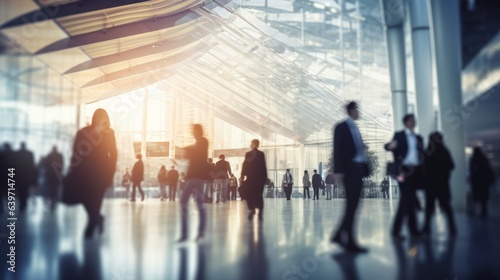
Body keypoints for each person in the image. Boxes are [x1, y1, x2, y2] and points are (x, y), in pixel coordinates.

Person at [67, 108, 117, 238]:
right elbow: (76, 152)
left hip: (100, 172)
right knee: (88, 199)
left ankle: (92, 223)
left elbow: (113, 153)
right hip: (89, 172)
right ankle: (97, 218)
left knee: (95, 199)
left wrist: (111, 172)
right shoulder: (85, 132)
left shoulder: (106, 133)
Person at [330, 101, 370, 253]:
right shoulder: (342, 126)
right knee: (352, 205)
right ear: (352, 110)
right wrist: (338, 170)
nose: (359, 112)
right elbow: (338, 148)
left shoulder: (355, 127)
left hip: (358, 170)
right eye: (358, 109)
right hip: (350, 169)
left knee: (353, 206)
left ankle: (339, 236)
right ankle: (349, 241)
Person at [384, 114, 424, 239]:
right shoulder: (399, 135)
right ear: (405, 122)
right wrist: (390, 146)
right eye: (410, 121)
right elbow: (387, 146)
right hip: (403, 171)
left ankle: (398, 230)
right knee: (408, 198)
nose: (412, 122)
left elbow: (422, 154)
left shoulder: (418, 138)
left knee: (407, 200)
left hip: (416, 171)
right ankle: (412, 230)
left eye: (413, 120)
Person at [422, 132, 457, 236]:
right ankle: (452, 228)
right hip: (443, 184)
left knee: (429, 208)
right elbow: (452, 166)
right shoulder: (444, 151)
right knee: (446, 207)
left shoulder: (427, 152)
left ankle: (426, 228)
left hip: (430, 184)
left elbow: (423, 168)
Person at [178, 124, 208, 242]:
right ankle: (198, 232)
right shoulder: (197, 144)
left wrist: (185, 148)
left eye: (194, 130)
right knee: (199, 204)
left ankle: (187, 233)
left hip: (197, 177)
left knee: (185, 202)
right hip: (194, 177)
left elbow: (194, 151)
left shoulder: (203, 141)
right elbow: (190, 156)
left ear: (199, 131)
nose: (193, 133)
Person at [241, 139, 268, 221]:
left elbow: (245, 165)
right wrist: (265, 177)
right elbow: (263, 167)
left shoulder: (249, 154)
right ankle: (259, 211)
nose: (250, 145)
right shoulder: (261, 154)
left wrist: (242, 175)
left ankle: (252, 209)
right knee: (259, 195)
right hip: (259, 179)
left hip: (251, 178)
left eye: (251, 143)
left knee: (250, 194)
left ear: (253, 144)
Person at [469, 146, 495, 218]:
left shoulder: (474, 160)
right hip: (484, 182)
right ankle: (484, 211)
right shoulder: (484, 159)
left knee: (477, 197)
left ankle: (474, 211)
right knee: (483, 199)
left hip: (477, 182)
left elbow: (472, 171)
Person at [16, 142, 38, 212]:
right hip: (26, 176)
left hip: (19, 176)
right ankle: (24, 203)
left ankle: (21, 203)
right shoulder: (30, 154)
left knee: (20, 190)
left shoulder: (17, 154)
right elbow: (32, 166)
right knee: (25, 190)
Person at [44, 146, 63, 211]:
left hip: (50, 175)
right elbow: (61, 165)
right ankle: (53, 200)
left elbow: (45, 164)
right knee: (55, 188)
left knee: (50, 188)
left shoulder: (49, 155)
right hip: (56, 176)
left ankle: (51, 199)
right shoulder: (60, 156)